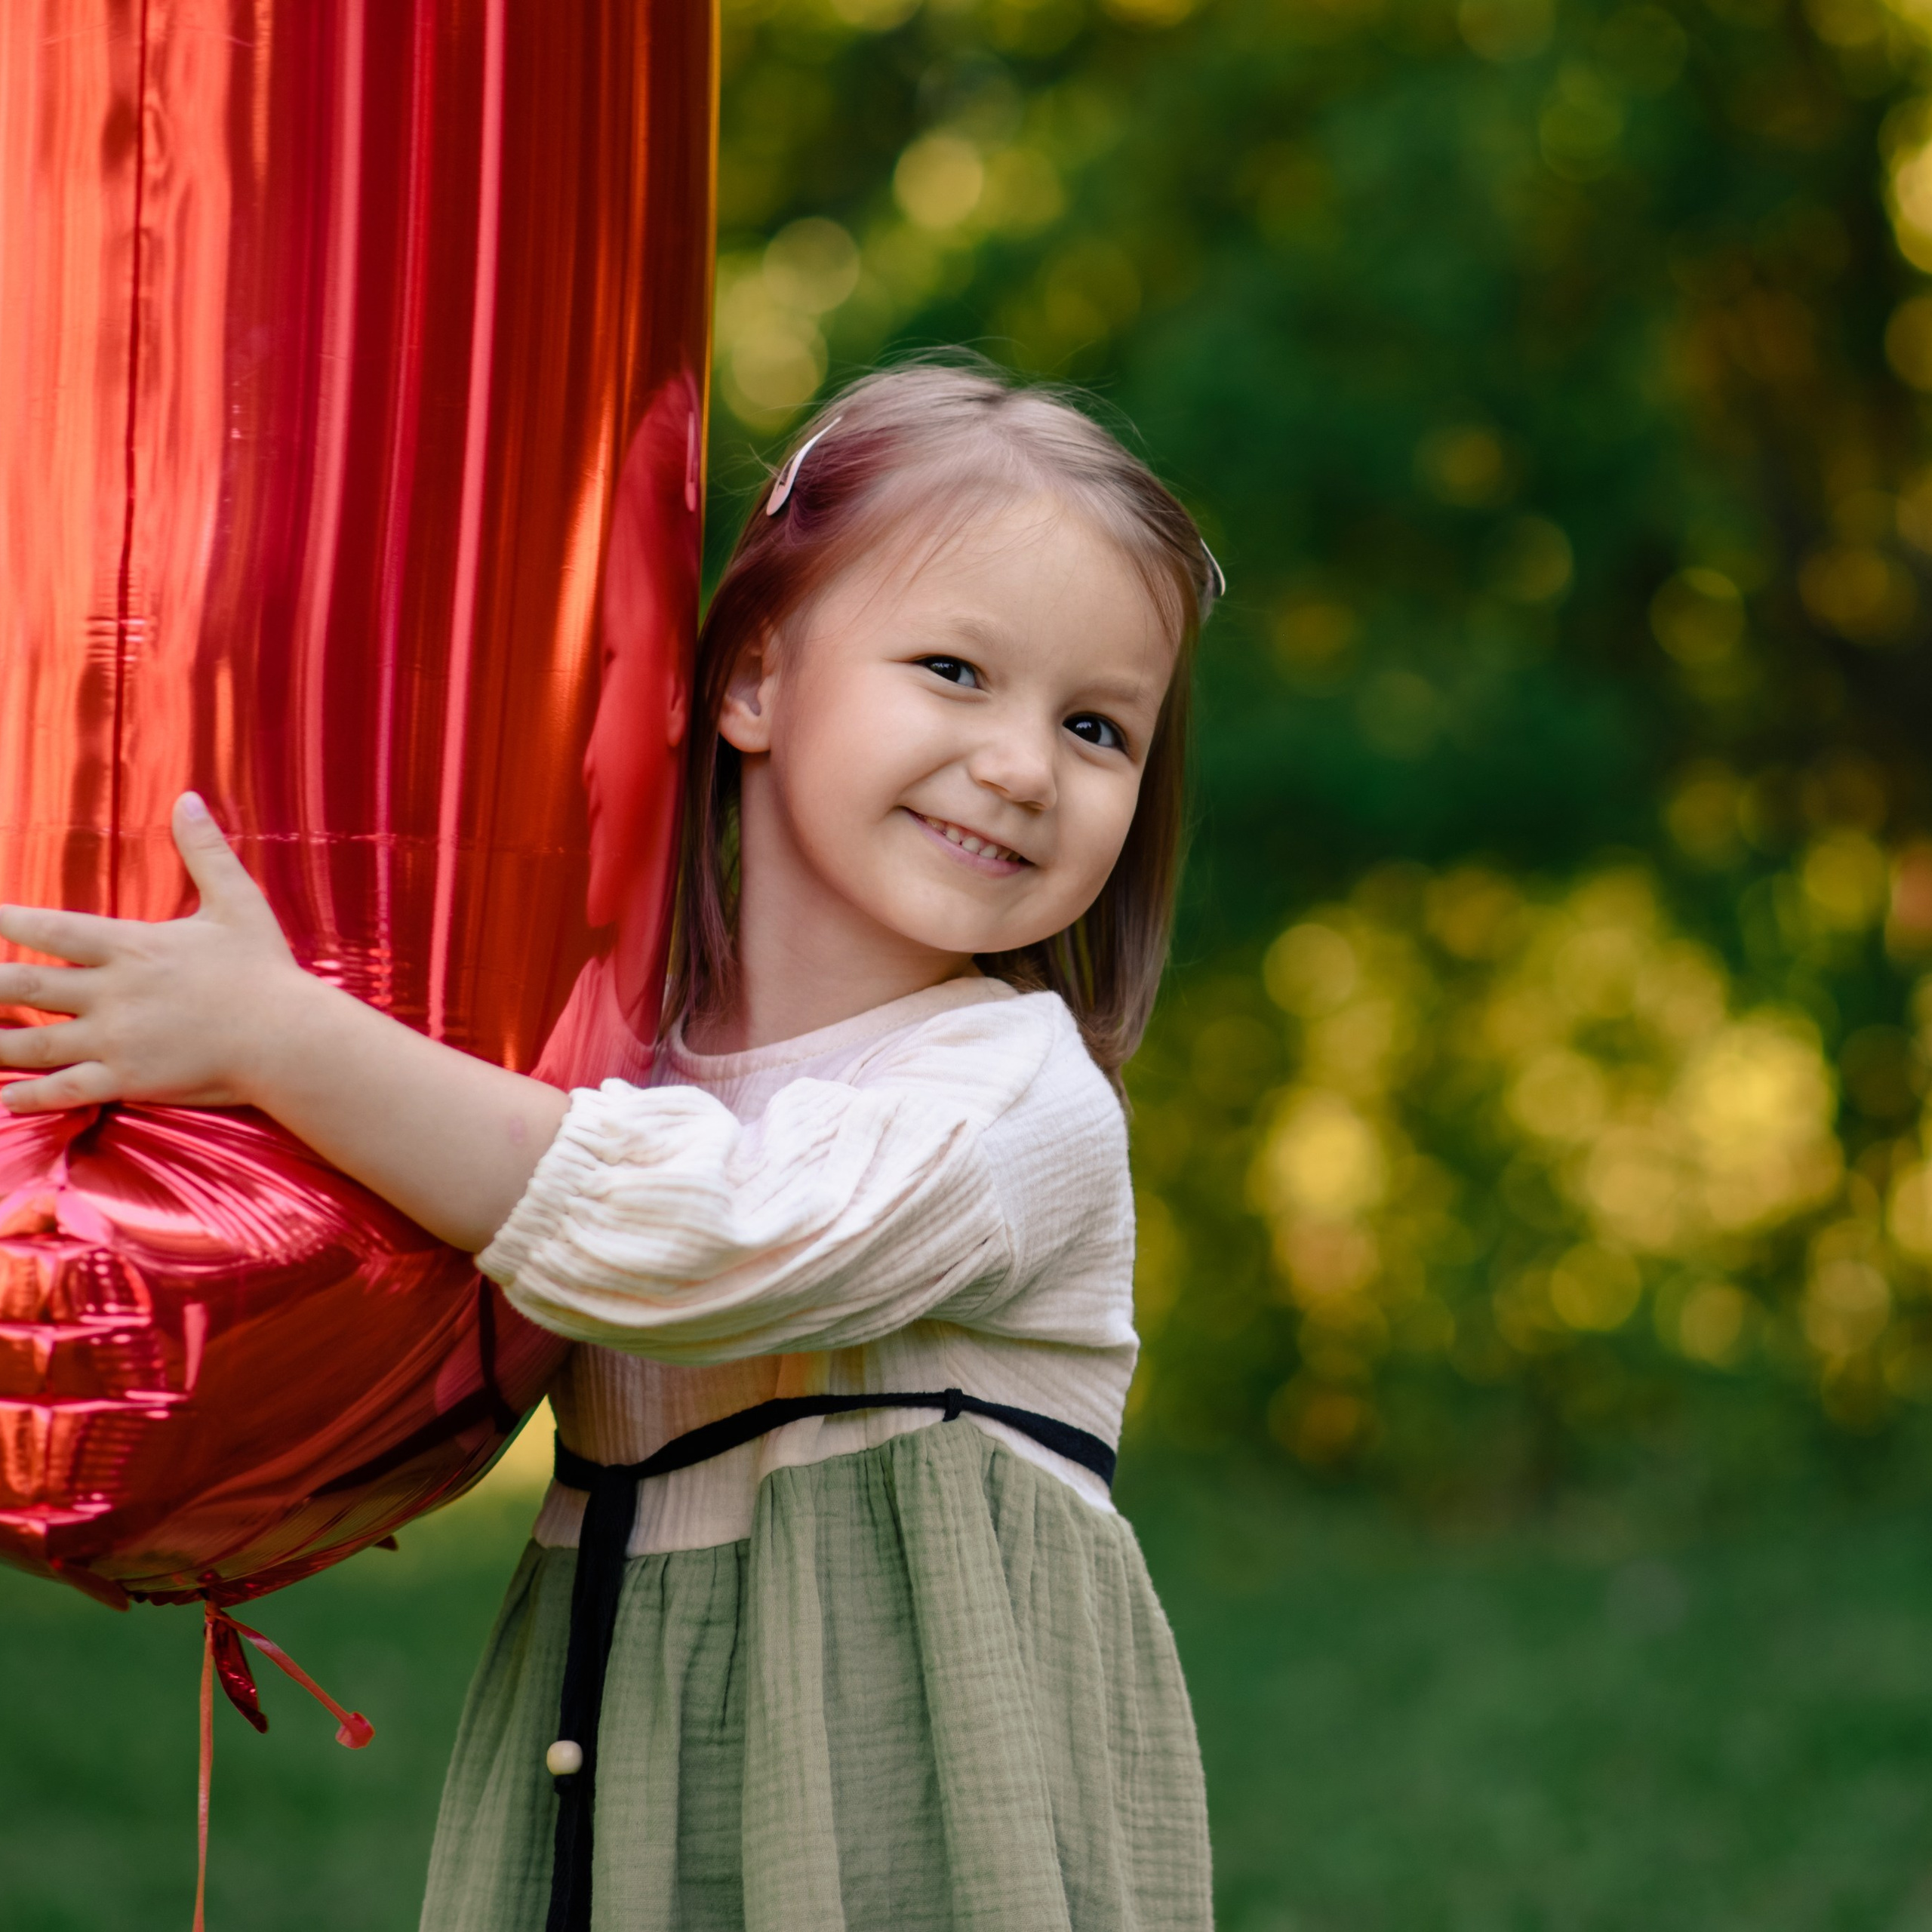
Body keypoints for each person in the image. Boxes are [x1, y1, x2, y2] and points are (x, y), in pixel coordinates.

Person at [0, 359, 1221, 1931]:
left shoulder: (1013, 1094)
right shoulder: (610, 1062)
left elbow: (704, 1240)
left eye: (1096, 726)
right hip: (629, 1756)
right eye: (954, 670)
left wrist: (283, 1037)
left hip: (912, 1815)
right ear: (754, 679)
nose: (1022, 765)